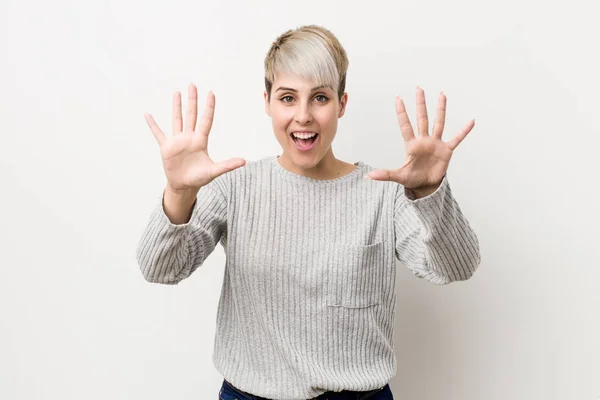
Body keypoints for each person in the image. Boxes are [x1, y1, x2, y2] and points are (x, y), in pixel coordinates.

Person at [136, 24, 481, 400]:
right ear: (267, 102)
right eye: (287, 98)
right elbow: (160, 269)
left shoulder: (385, 194)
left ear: (341, 104)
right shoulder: (235, 188)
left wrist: (429, 191)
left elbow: (455, 267)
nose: (303, 115)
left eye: (320, 97)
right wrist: (179, 191)